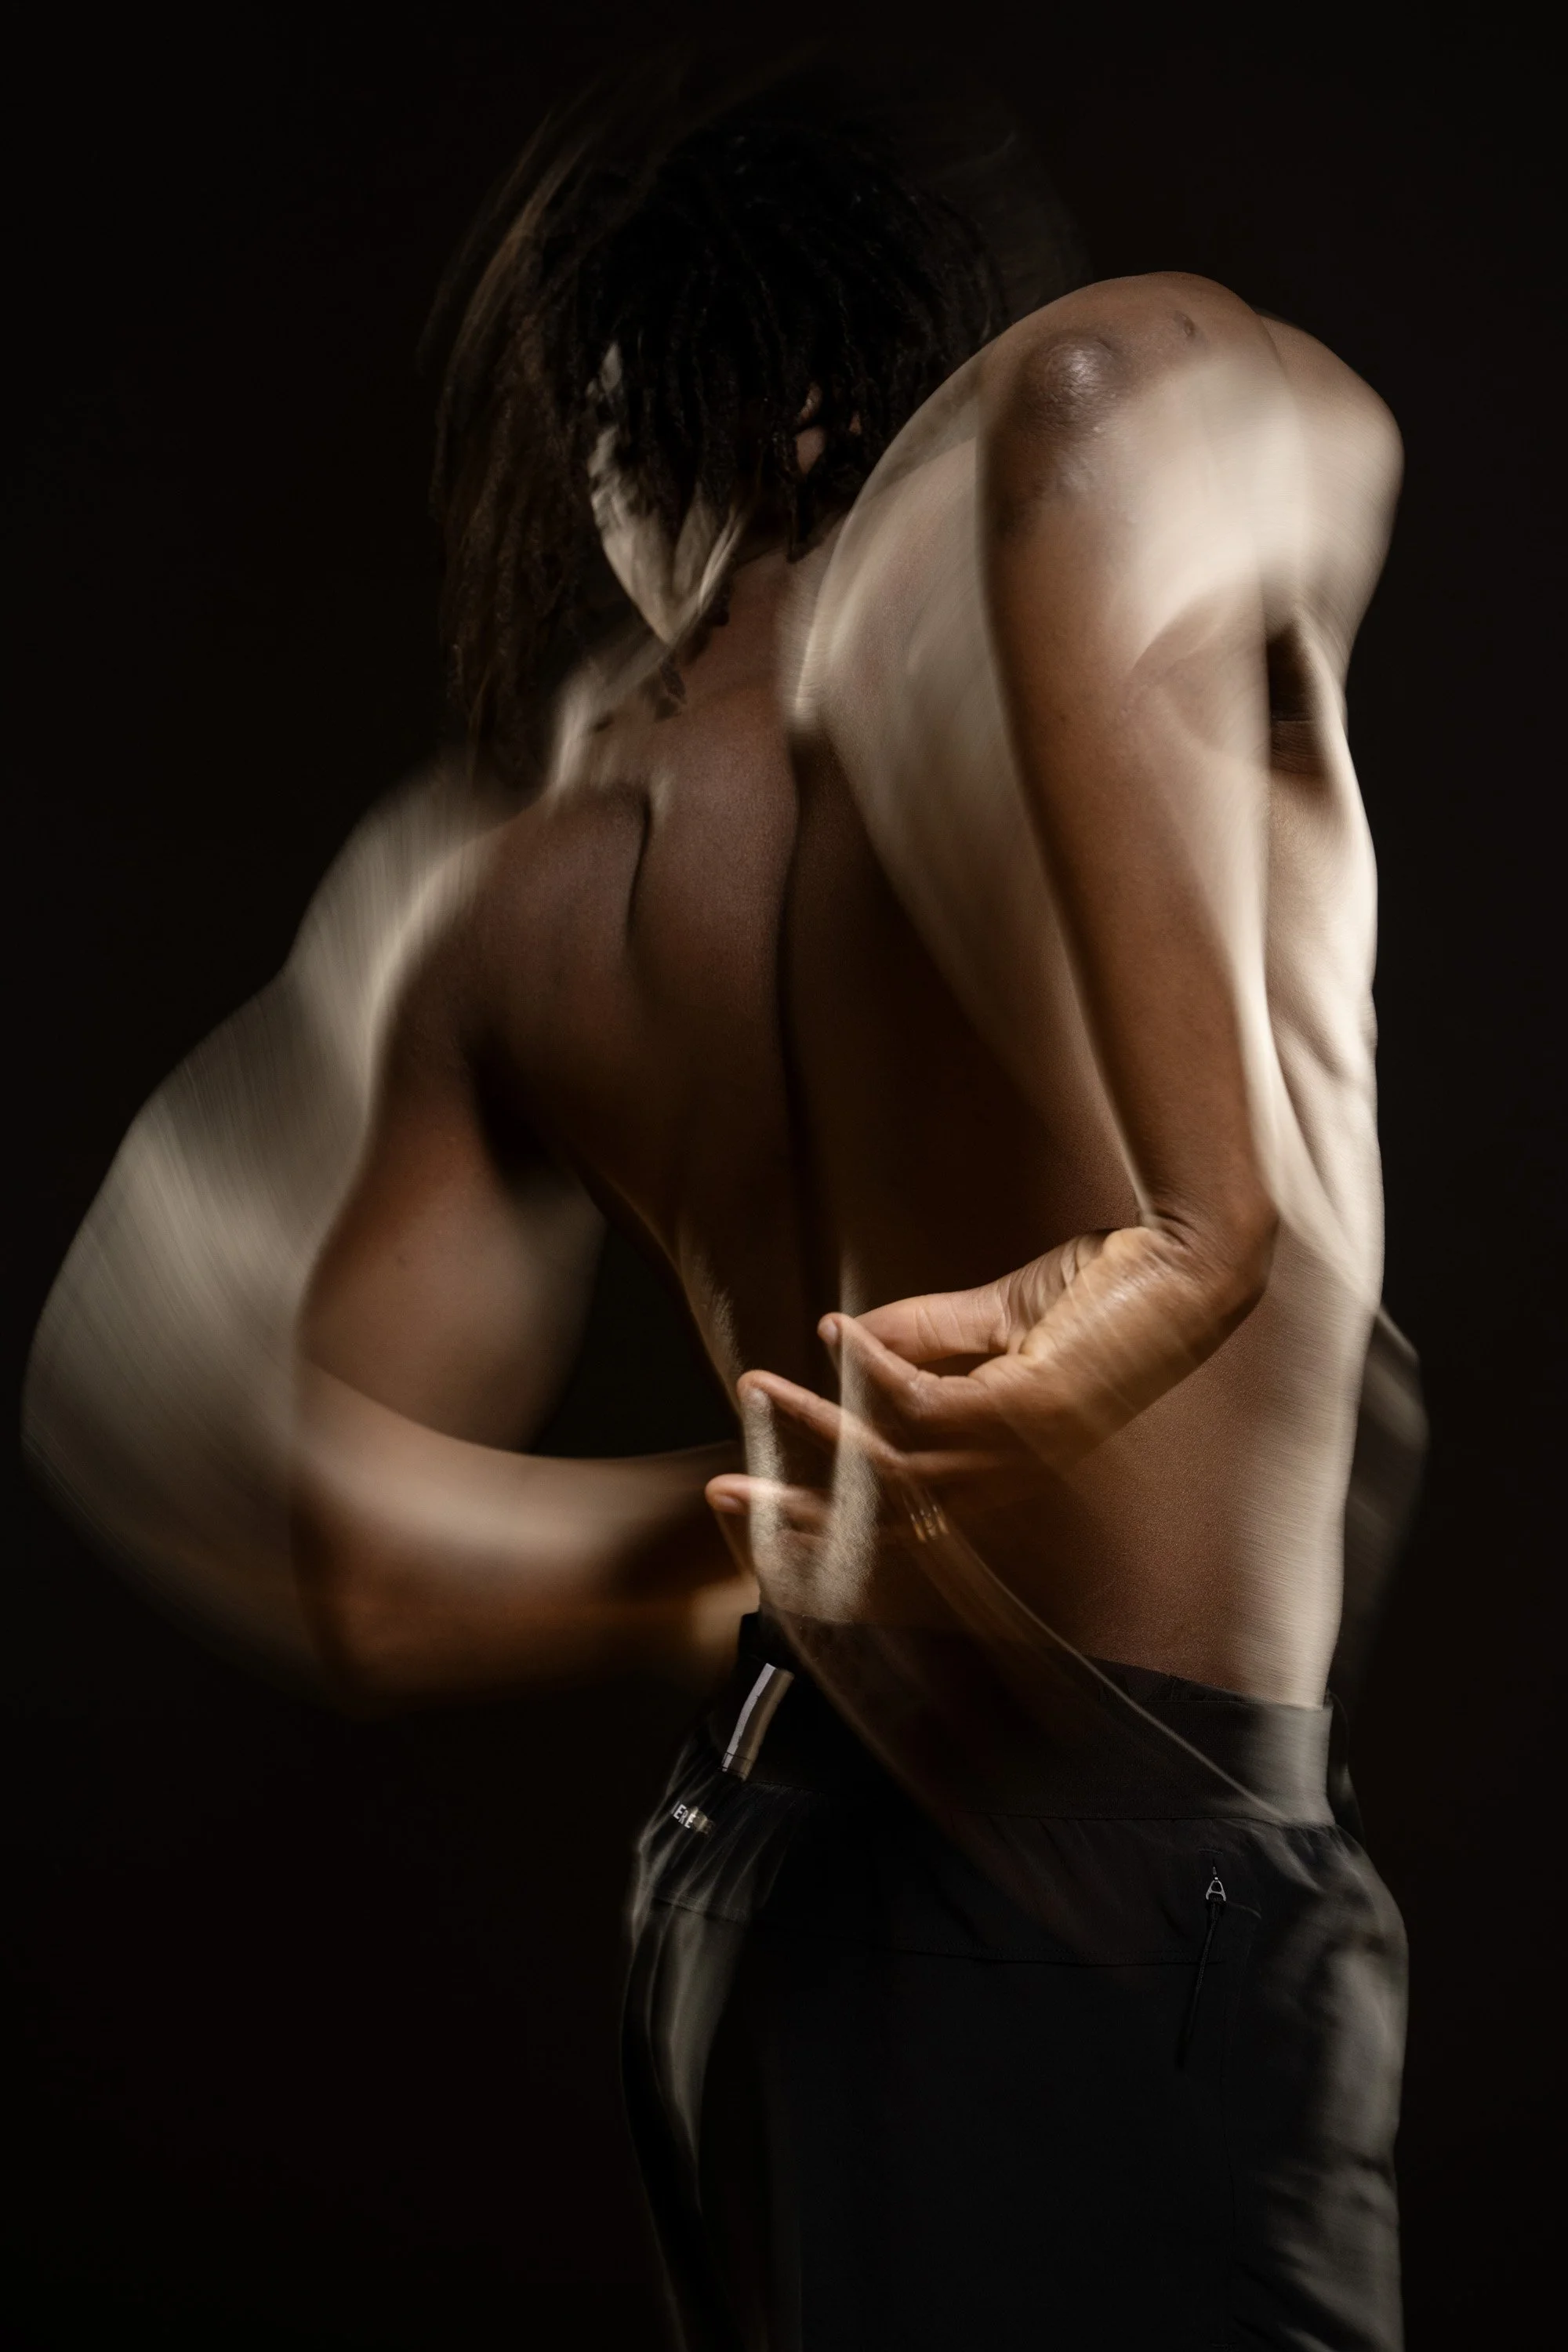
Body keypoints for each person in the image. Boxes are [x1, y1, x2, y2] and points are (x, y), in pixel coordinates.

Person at [26, 60, 1421, 2352]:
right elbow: (1107, 394)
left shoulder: (518, 892)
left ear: (741, 423)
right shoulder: (1132, 615)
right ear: (842, 402)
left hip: (756, 1887)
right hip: (1115, 1891)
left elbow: (335, 1546)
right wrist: (1198, 1236)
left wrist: (736, 1533)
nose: (603, 536)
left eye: (606, 458)